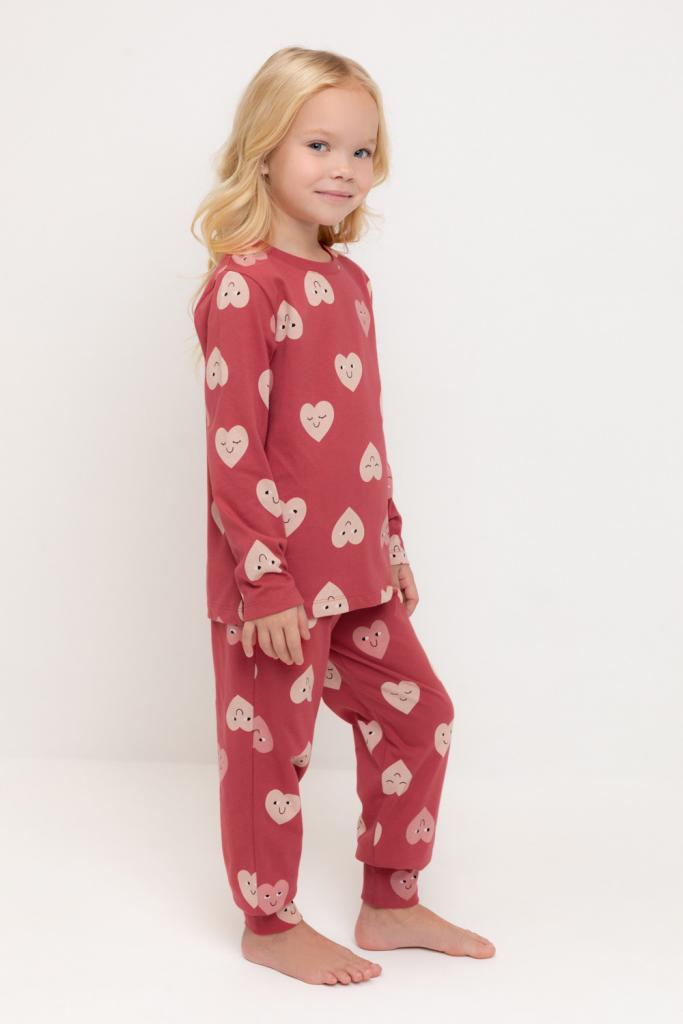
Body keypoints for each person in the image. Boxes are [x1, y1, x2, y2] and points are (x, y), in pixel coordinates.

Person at [189, 46, 496, 986]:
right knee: (271, 751)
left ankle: (390, 901)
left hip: (357, 567)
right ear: (264, 148)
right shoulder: (243, 286)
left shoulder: (349, 282)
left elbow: (360, 430)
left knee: (420, 715)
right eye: (318, 144)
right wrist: (264, 580)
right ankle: (268, 922)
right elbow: (234, 449)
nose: (343, 168)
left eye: (360, 151)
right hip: (275, 583)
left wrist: (390, 541)